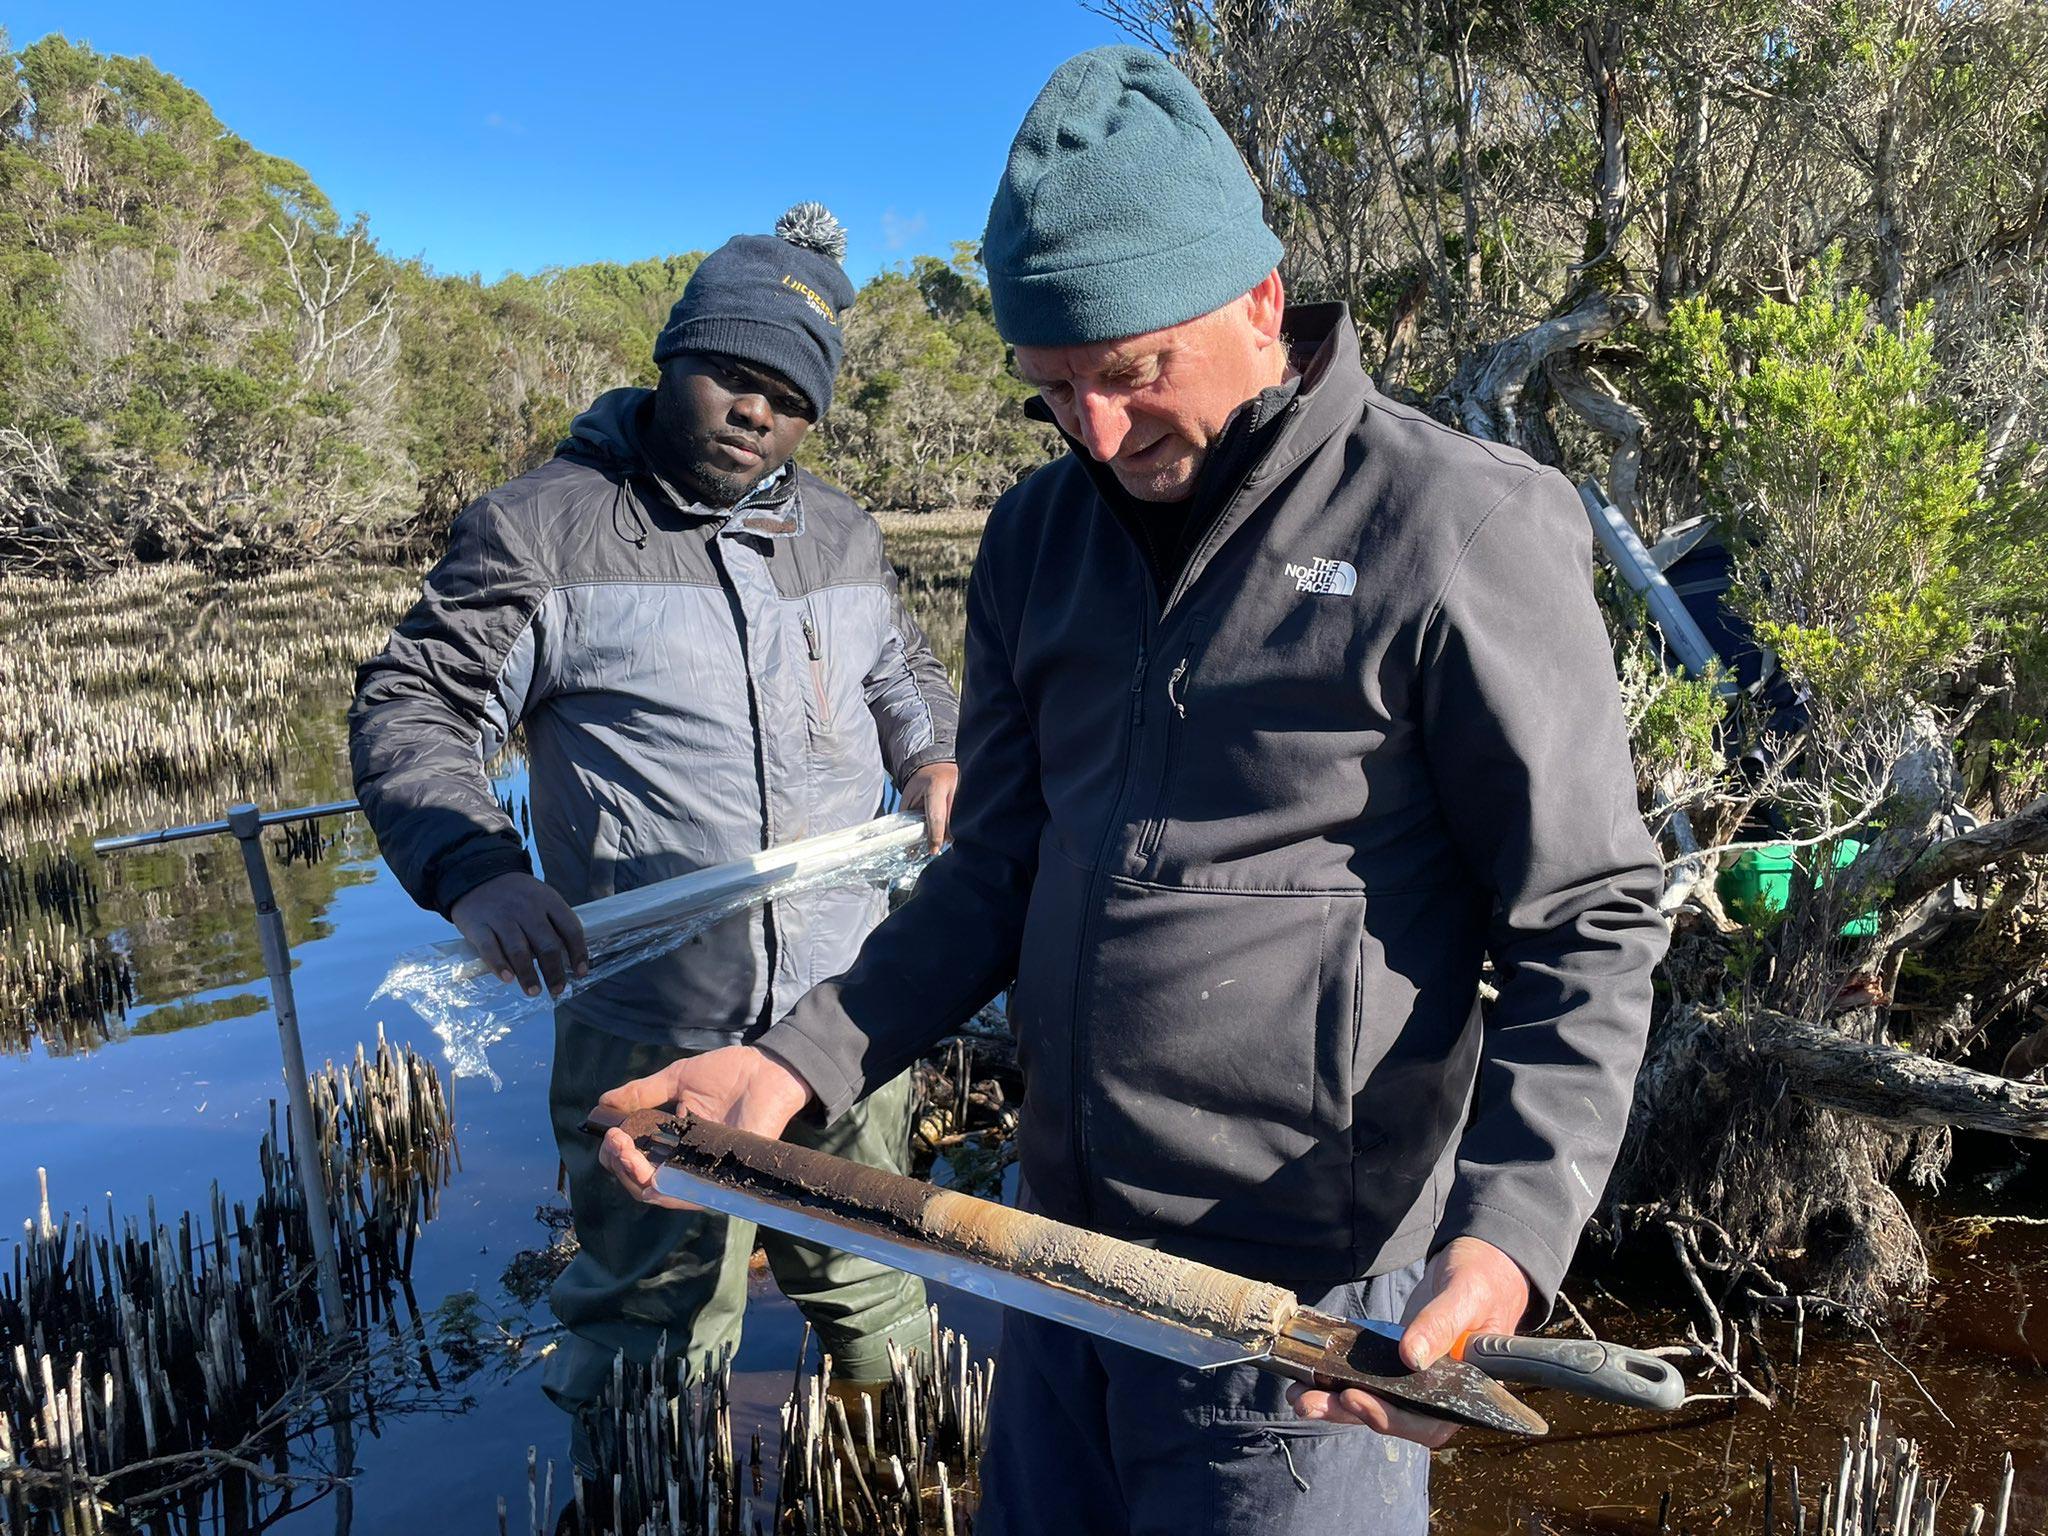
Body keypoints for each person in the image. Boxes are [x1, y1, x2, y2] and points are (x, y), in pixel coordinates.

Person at [597, 51, 1668, 1534]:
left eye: (1131, 370)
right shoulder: (1040, 536)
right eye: (1053, 391)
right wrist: (791, 1071)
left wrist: (1503, 1246)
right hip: (1049, 1265)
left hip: (1304, 1315)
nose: (1099, 435)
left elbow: (1587, 921)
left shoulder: (1459, 526)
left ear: (1259, 303)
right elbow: (993, 869)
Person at [349, 204, 960, 1474]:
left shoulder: (840, 530)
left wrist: (934, 751)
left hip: (848, 1007)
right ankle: (642, 1494)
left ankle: (906, 1478)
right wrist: (476, 869)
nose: (754, 412)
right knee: (651, 1325)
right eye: (731, 374)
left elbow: (896, 671)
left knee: (876, 1286)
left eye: (787, 397)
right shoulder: (542, 527)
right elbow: (418, 705)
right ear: (671, 355)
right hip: (649, 1013)